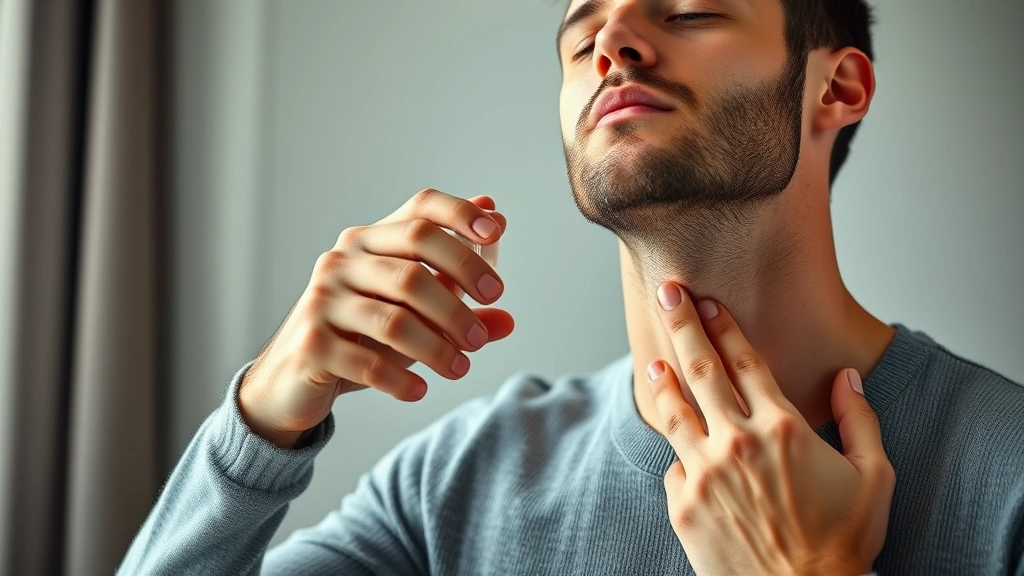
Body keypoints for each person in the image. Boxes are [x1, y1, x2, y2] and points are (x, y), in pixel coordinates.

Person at [120, 0, 1024, 574]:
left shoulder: (1010, 475)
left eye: (689, 11)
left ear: (838, 87)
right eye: (583, 36)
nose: (612, 43)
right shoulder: (456, 487)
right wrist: (261, 423)